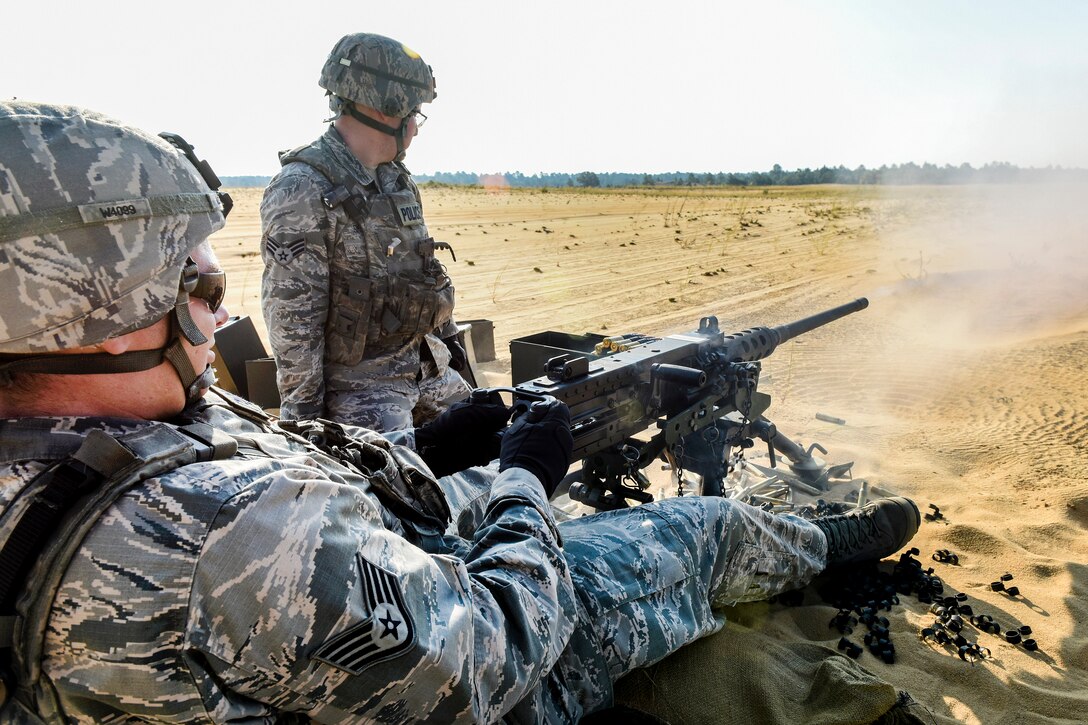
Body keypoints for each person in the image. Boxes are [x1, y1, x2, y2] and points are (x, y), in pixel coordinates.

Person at [0, 102, 921, 724]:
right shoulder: (221, 532)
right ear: (90, 310)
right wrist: (527, 477)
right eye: (195, 279)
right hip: (492, 672)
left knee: (485, 483)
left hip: (340, 607)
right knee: (706, 527)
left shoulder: (89, 429)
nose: (217, 303)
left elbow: (268, 457)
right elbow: (492, 649)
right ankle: (838, 541)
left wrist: (431, 451)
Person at [261, 32, 469, 431]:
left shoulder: (395, 180)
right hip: (360, 392)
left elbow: (425, 272)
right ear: (390, 108)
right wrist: (306, 427)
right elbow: (293, 320)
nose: (416, 129)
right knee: (412, 489)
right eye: (415, 115)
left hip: (427, 371)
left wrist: (454, 351)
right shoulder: (302, 188)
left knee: (499, 441)